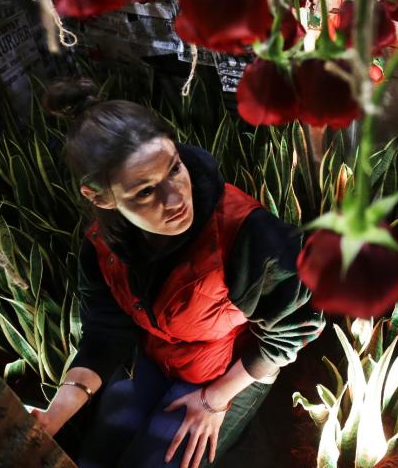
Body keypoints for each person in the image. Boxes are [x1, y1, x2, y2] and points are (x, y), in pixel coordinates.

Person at [32, 78, 325, 468]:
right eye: (145, 192)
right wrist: (54, 414)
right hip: (160, 358)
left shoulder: (245, 235)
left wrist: (215, 399)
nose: (175, 199)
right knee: (94, 457)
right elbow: (105, 332)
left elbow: (296, 326)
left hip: (232, 368)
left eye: (174, 169)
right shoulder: (103, 244)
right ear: (100, 197)